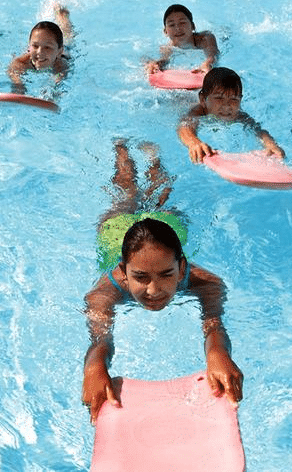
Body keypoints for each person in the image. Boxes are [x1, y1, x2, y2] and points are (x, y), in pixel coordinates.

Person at [81, 140, 243, 424]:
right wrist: (94, 368)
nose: (154, 291)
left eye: (166, 275)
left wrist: (217, 352)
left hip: (165, 225)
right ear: (123, 271)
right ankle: (122, 150)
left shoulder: (204, 282)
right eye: (140, 277)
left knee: (160, 194)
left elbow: (214, 323)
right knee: (127, 193)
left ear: (182, 267)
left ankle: (154, 157)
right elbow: (100, 339)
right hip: (118, 229)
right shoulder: (104, 293)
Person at [178, 66, 285, 163]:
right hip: (182, 100)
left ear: (240, 100)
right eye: (219, 98)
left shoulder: (239, 115)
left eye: (234, 99)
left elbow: (258, 130)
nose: (227, 105)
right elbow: (184, 127)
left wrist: (270, 144)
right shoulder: (198, 111)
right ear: (203, 100)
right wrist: (194, 143)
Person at [7, 3, 73, 93]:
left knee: (67, 33)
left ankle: (62, 14)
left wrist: (51, 92)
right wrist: (18, 84)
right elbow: (13, 70)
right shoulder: (23, 62)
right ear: (29, 45)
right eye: (35, 46)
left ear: (58, 51)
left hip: (65, 50)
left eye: (47, 47)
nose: (40, 52)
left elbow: (59, 83)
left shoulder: (61, 66)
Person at [145, 4, 217, 75]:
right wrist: (156, 64)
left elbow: (212, 54)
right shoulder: (167, 48)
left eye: (182, 23)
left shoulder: (205, 38)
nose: (178, 28)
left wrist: (207, 63)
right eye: (172, 25)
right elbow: (164, 59)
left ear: (193, 26)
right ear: (165, 32)